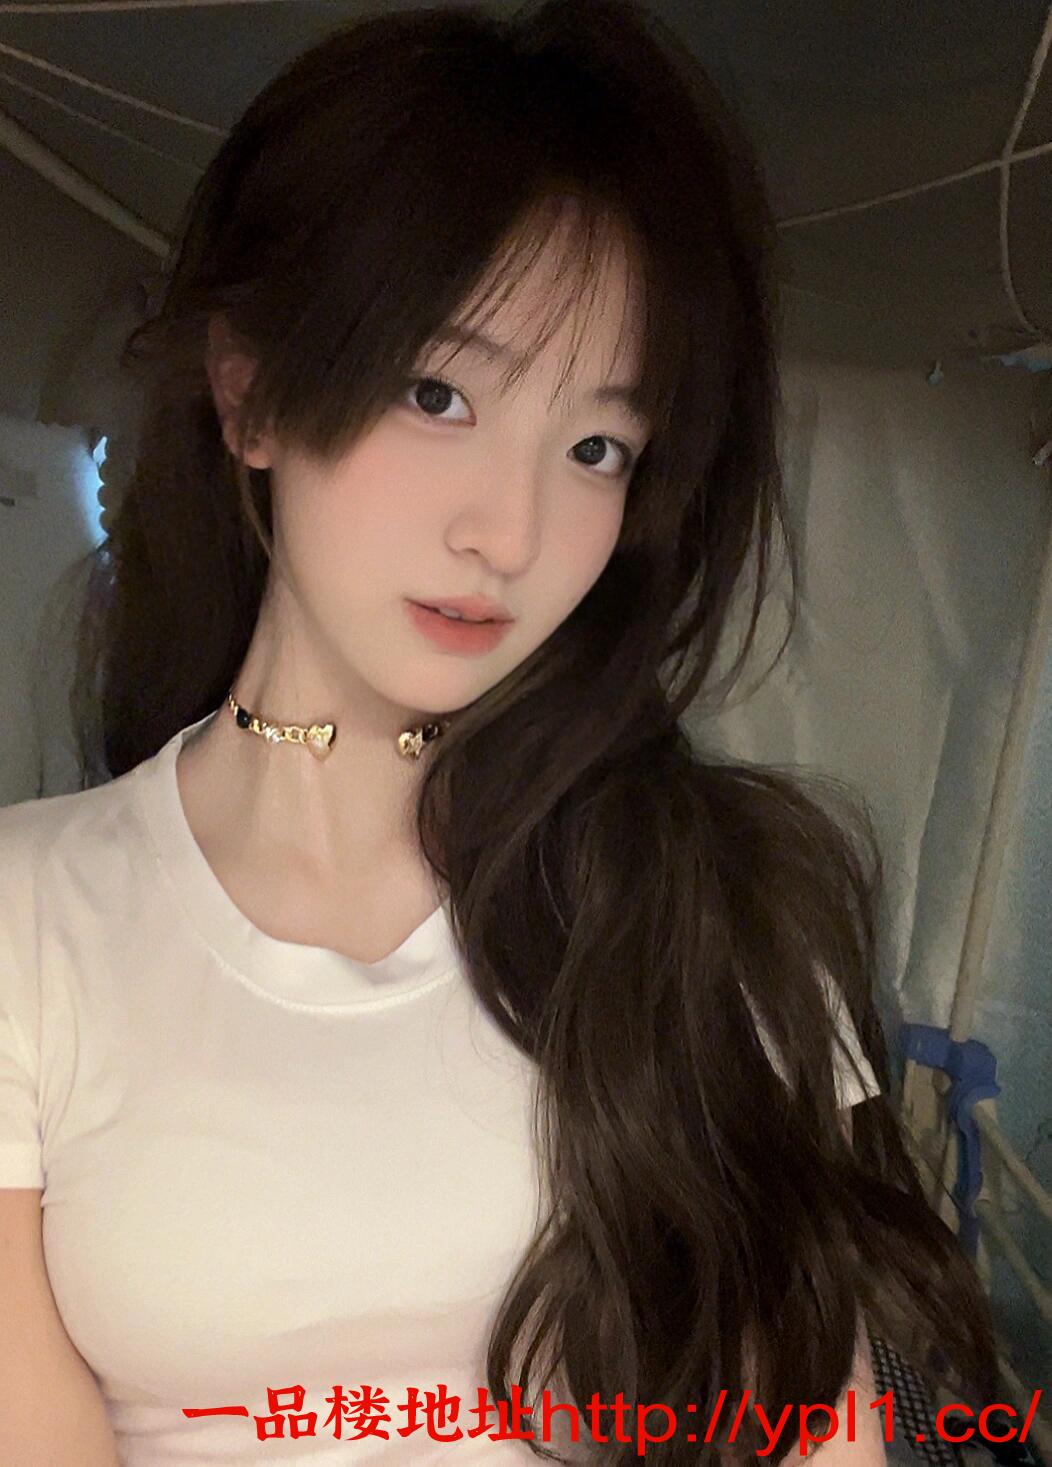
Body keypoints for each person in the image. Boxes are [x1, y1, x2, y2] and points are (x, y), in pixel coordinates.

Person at [0, 0, 998, 1463]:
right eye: (439, 393)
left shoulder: (712, 909)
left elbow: (812, 1426)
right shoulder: (28, 917)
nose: (511, 532)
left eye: (595, 446)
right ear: (251, 394)